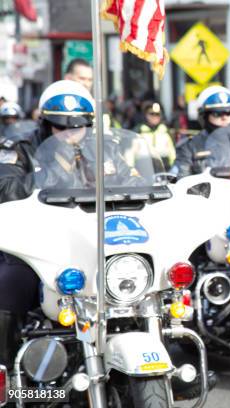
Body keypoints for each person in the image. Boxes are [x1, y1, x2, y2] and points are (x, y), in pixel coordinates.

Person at [0, 80, 95, 369]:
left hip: (92, 245)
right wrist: (50, 176)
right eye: (60, 126)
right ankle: (6, 373)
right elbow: (5, 188)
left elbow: (131, 181)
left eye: (77, 127)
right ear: (45, 123)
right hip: (39, 247)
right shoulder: (19, 148)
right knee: (10, 283)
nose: (69, 133)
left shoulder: (103, 148)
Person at [171, 85, 230, 178]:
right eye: (217, 113)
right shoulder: (190, 146)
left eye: (229, 113)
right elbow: (180, 180)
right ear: (204, 116)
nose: (224, 117)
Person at [135, 101, 176, 169]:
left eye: (157, 114)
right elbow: (131, 154)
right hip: (143, 168)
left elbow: (172, 153)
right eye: (151, 114)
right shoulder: (139, 131)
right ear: (145, 115)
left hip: (164, 168)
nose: (155, 117)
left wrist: (173, 168)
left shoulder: (165, 131)